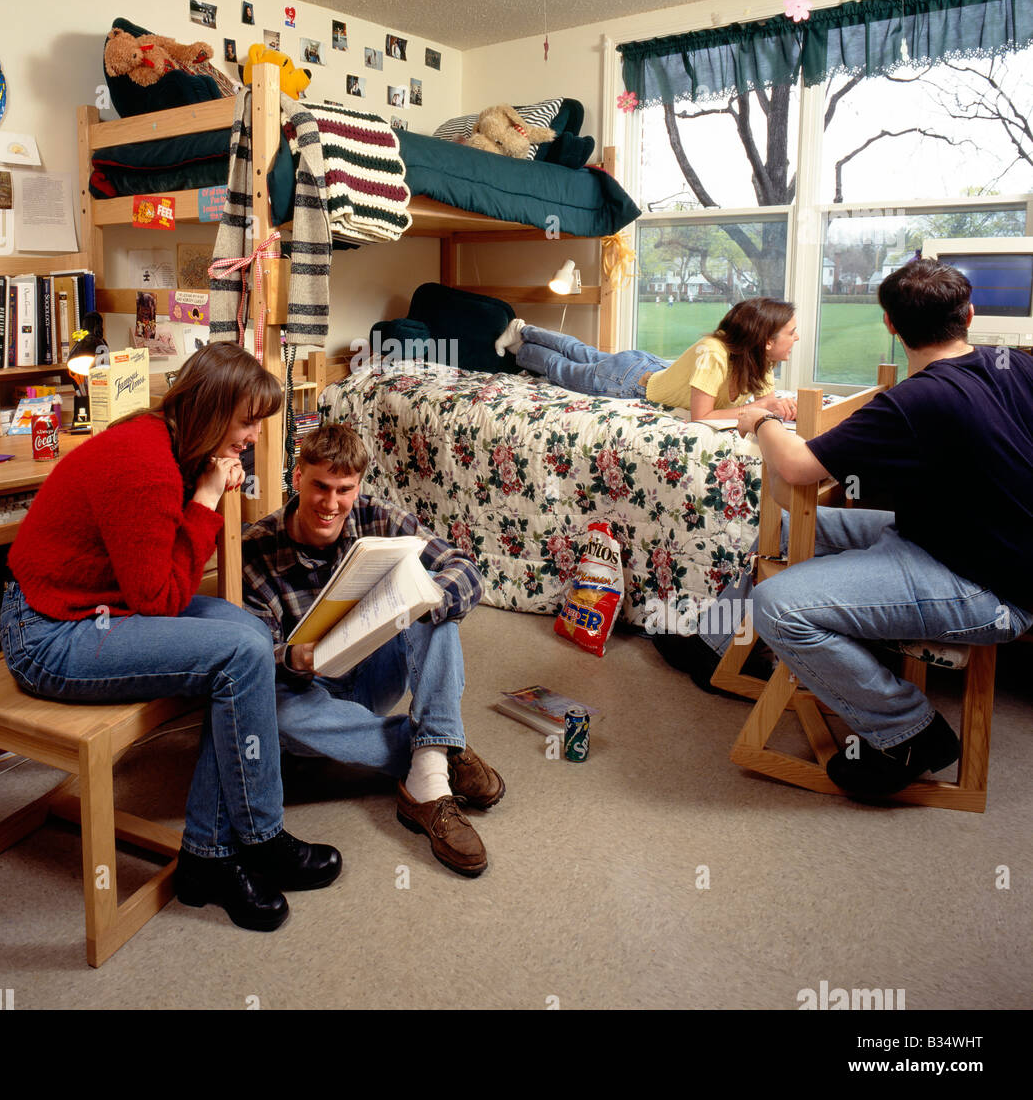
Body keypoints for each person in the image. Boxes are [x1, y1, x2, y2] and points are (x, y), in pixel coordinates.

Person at [2, 342, 341, 932]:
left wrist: (206, 487)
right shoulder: (146, 463)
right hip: (49, 633)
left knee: (248, 633)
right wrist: (208, 499)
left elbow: (161, 585)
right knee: (237, 653)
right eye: (246, 423)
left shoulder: (170, 443)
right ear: (210, 413)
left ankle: (207, 855)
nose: (253, 437)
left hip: (97, 607)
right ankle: (259, 837)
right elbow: (161, 600)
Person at [733, 256, 1033, 799]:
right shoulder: (1014, 365)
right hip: (954, 541)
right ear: (969, 313)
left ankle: (908, 733)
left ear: (891, 326)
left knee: (777, 605)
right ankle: (727, 644)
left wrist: (763, 419)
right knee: (790, 532)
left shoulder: (915, 398)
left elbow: (797, 469)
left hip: (992, 589)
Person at [241, 424, 504, 877]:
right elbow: (253, 651)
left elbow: (464, 567)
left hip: (372, 675)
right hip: (311, 701)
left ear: (359, 485)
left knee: (433, 608)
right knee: (274, 713)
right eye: (320, 486)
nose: (330, 504)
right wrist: (290, 657)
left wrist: (429, 598)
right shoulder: (255, 549)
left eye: (344, 490)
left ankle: (429, 776)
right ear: (297, 475)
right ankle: (434, 755)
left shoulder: (377, 516)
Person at [495, 297, 800, 423]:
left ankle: (524, 329)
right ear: (767, 340)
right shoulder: (714, 353)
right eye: (792, 332)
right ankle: (520, 342)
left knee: (581, 351)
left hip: (645, 367)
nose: (796, 338)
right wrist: (759, 407)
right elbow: (702, 417)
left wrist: (780, 408)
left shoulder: (759, 358)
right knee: (561, 368)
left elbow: (767, 400)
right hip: (628, 383)